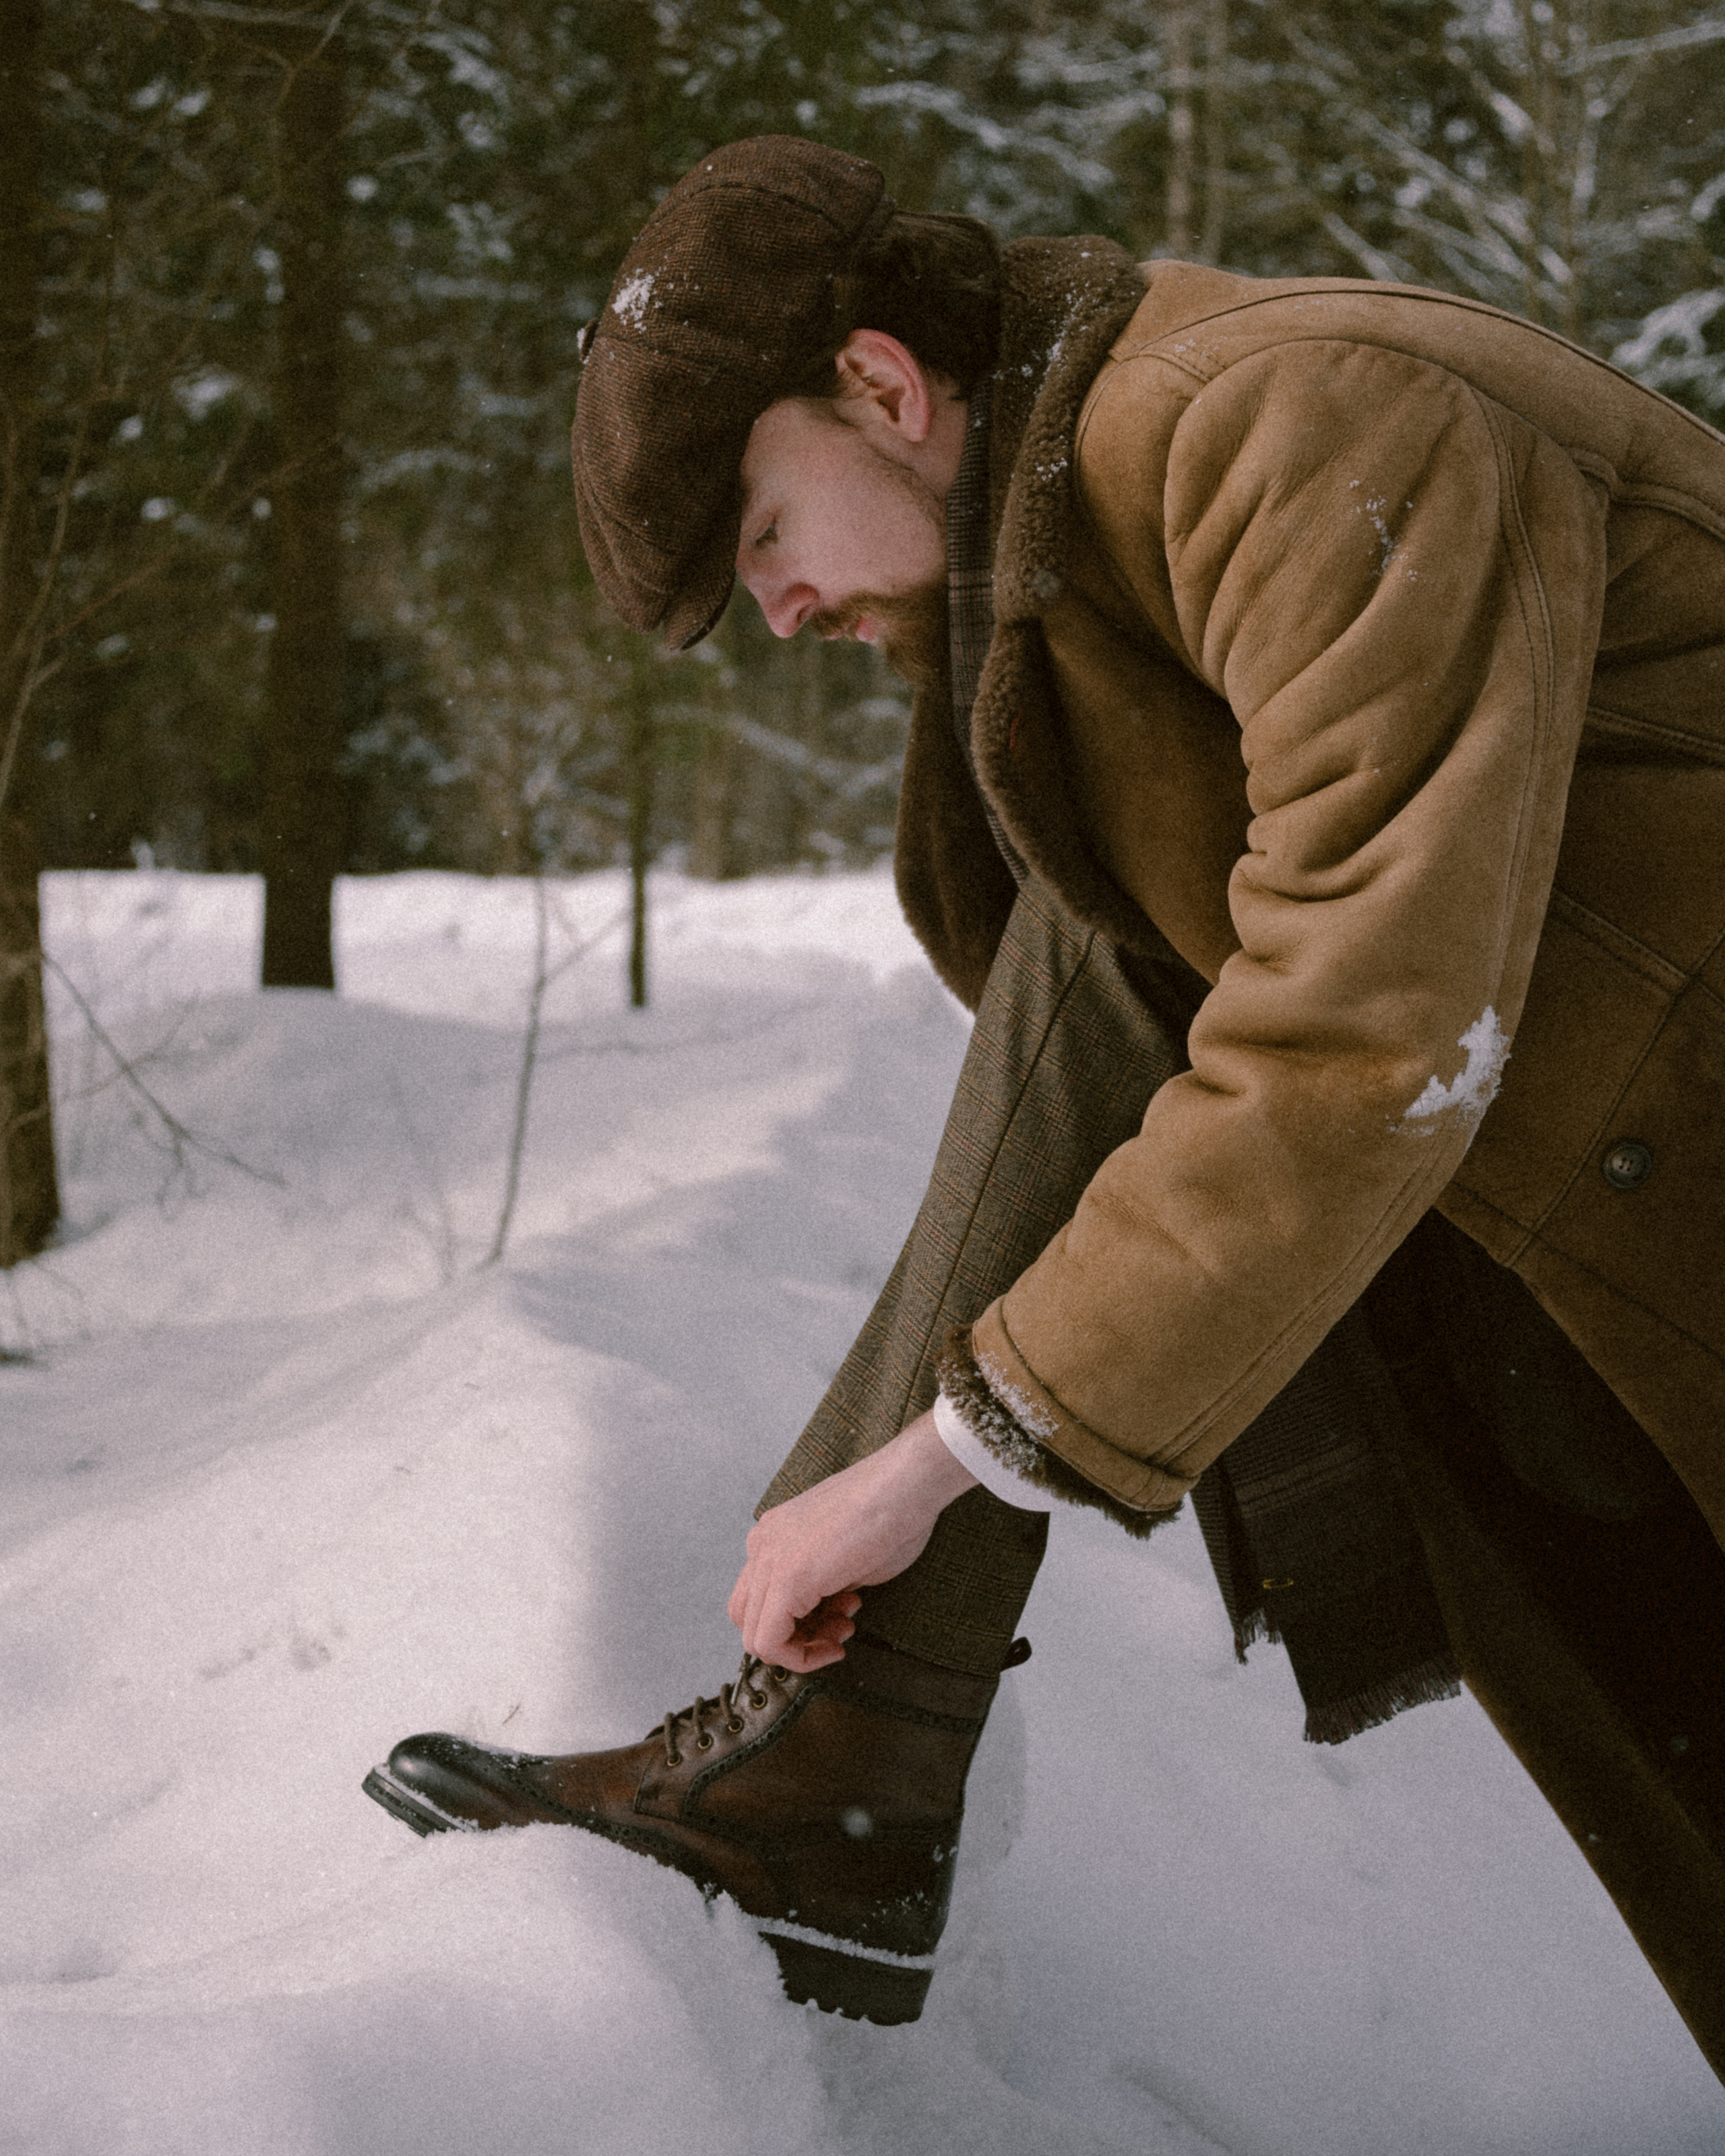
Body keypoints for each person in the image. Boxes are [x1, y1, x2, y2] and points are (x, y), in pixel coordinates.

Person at [365, 136, 1725, 2064]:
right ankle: (847, 1749)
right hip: (1559, 1249)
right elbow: (1118, 991)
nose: (780, 610)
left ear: (882, 386)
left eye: (762, 534)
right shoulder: (1075, 567)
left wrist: (943, 1456)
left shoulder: (1301, 421)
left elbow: (1359, 1023)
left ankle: (851, 1745)